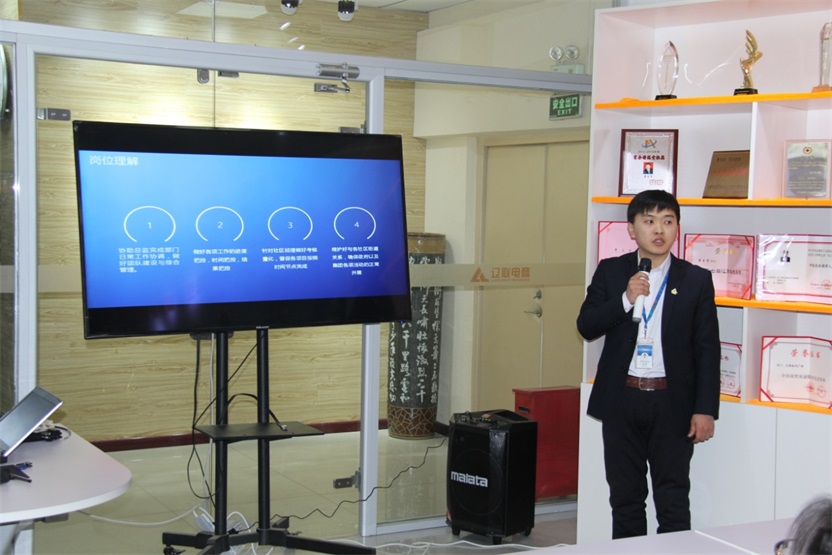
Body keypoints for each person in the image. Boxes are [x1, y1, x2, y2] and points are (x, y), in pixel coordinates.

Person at [576, 189, 721, 539]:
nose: (659, 230)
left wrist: (705, 410)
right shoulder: (611, 272)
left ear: (677, 228)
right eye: (650, 221)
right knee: (625, 499)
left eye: (668, 221)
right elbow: (586, 326)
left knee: (673, 500)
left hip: (672, 402)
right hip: (622, 399)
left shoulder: (695, 280)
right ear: (632, 229)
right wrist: (625, 299)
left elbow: (707, 350)